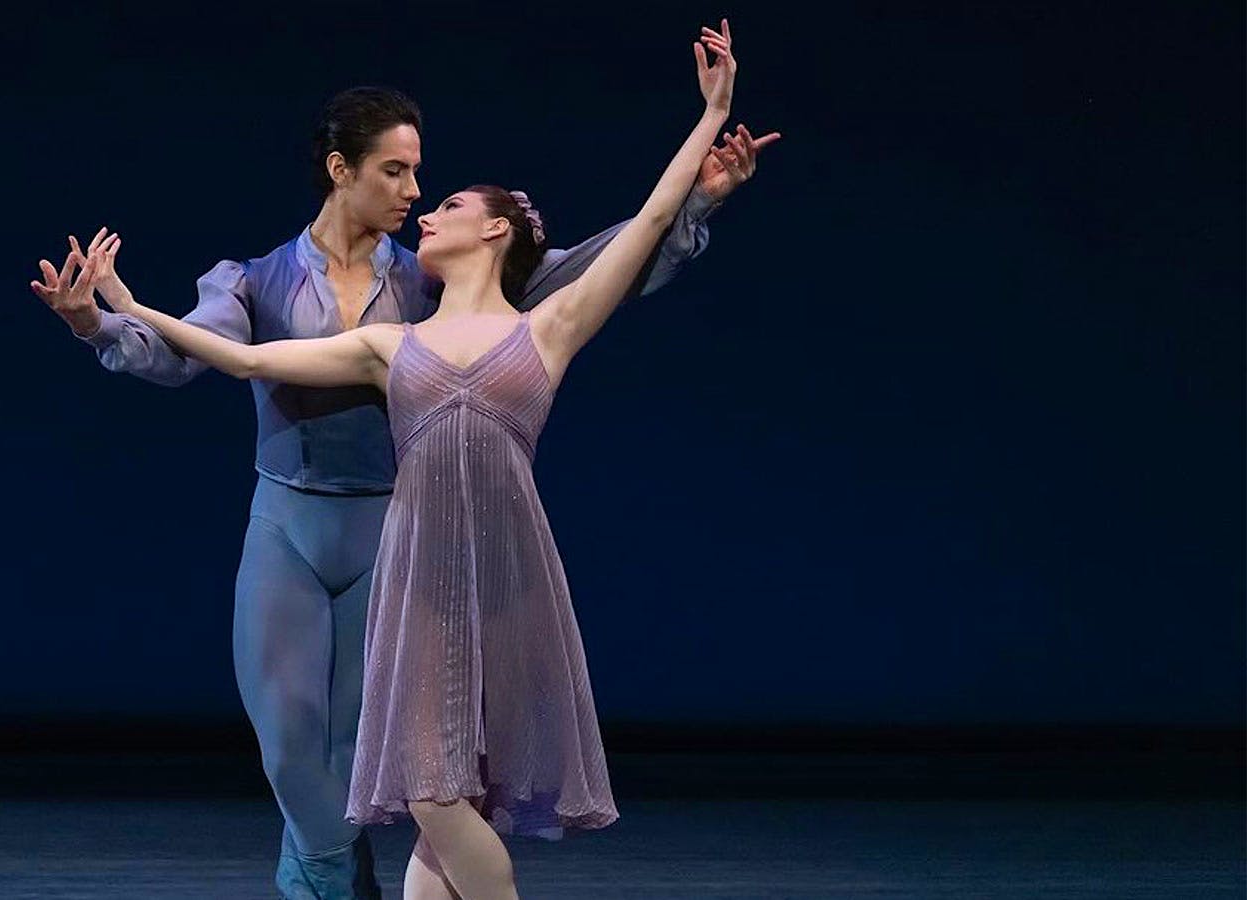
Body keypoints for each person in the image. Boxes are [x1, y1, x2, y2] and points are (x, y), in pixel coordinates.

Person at [55, 19, 778, 898]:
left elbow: (611, 260)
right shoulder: (261, 284)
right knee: (291, 742)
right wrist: (105, 319)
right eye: (396, 172)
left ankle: (329, 879)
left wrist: (700, 191)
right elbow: (203, 355)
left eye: (421, 176)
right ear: (341, 170)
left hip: (399, 538)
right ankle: (325, 869)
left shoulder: (435, 284)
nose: (415, 191)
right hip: (289, 517)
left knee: (385, 761)